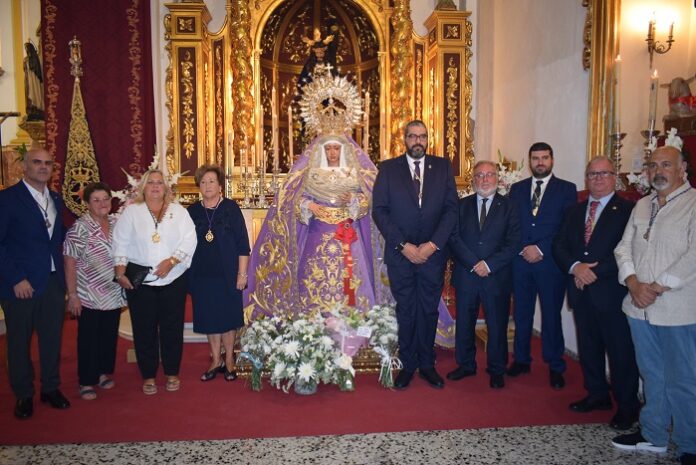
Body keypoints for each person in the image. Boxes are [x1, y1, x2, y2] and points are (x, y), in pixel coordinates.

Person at [245, 134, 392, 319]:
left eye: (336, 148)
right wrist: (309, 205)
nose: (332, 152)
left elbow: (369, 200)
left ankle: (353, 324)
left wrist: (354, 199)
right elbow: (293, 199)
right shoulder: (311, 175)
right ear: (322, 150)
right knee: (313, 279)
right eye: (328, 148)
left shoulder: (353, 175)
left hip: (348, 236)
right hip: (317, 234)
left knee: (351, 278)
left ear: (343, 150)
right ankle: (312, 326)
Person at [612, 145, 696, 465]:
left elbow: (693, 257)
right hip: (638, 306)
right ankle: (654, 434)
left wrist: (658, 288)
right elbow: (623, 249)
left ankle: (690, 443)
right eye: (653, 165)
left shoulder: (692, 203)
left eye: (666, 165)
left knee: (683, 378)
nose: (658, 171)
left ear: (682, 169)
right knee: (651, 374)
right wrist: (633, 283)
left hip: (677, 309)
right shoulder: (643, 205)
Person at [552, 157, 639, 430]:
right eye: (592, 174)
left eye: (604, 173)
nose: (598, 178)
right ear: (586, 177)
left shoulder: (628, 210)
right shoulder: (574, 212)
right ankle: (597, 394)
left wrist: (593, 272)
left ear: (615, 177)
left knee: (620, 352)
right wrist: (576, 267)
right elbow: (559, 245)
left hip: (611, 293)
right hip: (581, 291)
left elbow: (631, 250)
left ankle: (627, 407)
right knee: (589, 347)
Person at [372, 120, 458, 390]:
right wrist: (403, 245)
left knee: (429, 310)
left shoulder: (442, 167)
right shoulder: (387, 169)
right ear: (405, 139)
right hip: (401, 255)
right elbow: (380, 211)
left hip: (433, 254)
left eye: (422, 136)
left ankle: (427, 365)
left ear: (427, 139)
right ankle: (408, 366)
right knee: (407, 310)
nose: (417, 141)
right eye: (412, 136)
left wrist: (432, 245)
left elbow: (451, 210)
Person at [0, 147, 70, 419]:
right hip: (21, 285)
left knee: (52, 339)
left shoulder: (55, 198)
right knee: (18, 342)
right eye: (37, 162)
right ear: (25, 167)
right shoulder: (7, 199)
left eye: (48, 163)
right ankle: (24, 394)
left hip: (52, 283)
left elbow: (58, 238)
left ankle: (50, 388)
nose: (43, 167)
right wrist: (16, 278)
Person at [112, 169, 196, 395]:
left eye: (160, 183)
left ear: (166, 188)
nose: (156, 186)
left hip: (173, 278)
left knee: (172, 328)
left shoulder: (178, 212)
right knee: (144, 329)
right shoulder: (132, 213)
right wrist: (120, 273)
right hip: (142, 282)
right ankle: (148, 375)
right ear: (143, 188)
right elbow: (120, 241)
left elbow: (190, 239)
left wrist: (171, 261)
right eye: (151, 183)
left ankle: (171, 372)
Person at [507, 142, 576, 389]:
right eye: (535, 158)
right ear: (530, 161)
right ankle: (521, 360)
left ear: (552, 160)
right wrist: (523, 248)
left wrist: (541, 248)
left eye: (544, 158)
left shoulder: (567, 190)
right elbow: (512, 225)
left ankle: (555, 364)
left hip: (550, 265)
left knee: (551, 315)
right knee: (522, 314)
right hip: (521, 263)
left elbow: (566, 227)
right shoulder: (517, 189)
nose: (540, 163)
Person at [447, 160, 520, 389]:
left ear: (497, 179)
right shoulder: (461, 205)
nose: (484, 179)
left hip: (495, 276)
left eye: (489, 175)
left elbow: (513, 242)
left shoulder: (510, 206)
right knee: (465, 322)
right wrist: (473, 263)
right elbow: (454, 237)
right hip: (467, 274)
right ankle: (466, 364)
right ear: (473, 179)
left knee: (497, 324)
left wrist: (488, 264)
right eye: (479, 175)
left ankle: (497, 369)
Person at [64, 182, 126, 401]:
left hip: (112, 293)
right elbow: (70, 261)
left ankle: (101, 373)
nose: (102, 203)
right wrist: (72, 295)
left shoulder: (116, 222)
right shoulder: (80, 227)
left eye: (105, 199)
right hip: (88, 293)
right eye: (96, 200)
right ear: (88, 204)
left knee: (107, 336)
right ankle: (86, 380)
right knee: (89, 338)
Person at [188, 165, 250, 382]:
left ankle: (230, 360)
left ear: (220, 185)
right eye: (203, 182)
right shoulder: (192, 211)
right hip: (201, 274)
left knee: (227, 318)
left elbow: (243, 244)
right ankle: (216, 360)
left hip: (228, 274)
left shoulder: (231, 208)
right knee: (209, 318)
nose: (207, 185)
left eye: (211, 181)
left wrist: (242, 275)